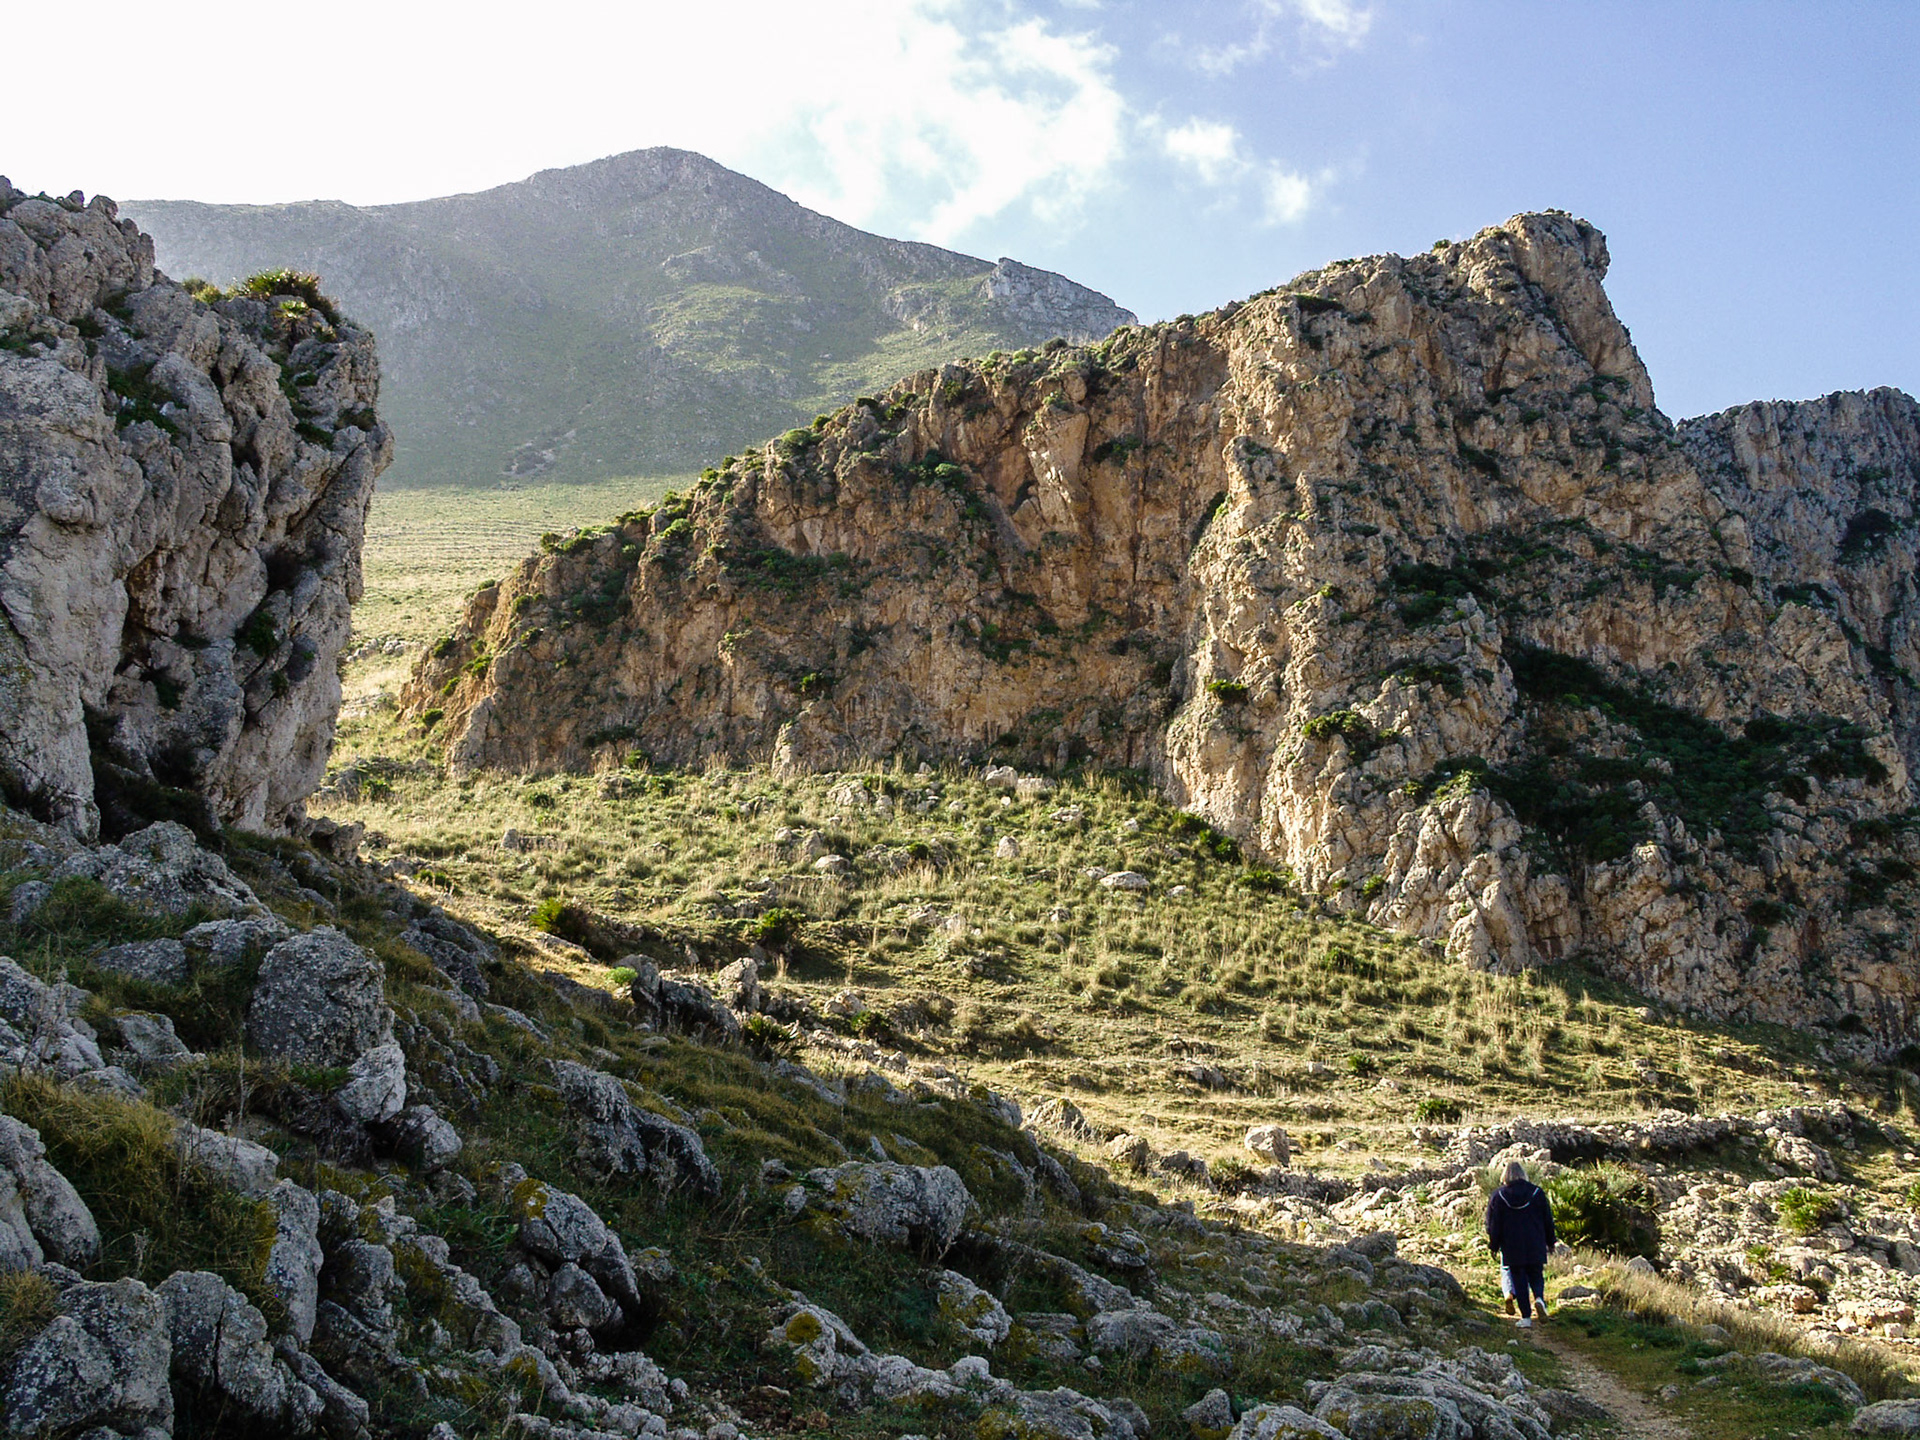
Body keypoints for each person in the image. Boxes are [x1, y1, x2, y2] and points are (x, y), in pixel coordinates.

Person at [1485, 1160, 1556, 1328]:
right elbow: (1548, 1219)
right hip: (1535, 1241)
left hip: (1511, 1245)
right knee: (1536, 1275)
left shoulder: (1498, 1195)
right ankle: (1539, 1298)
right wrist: (1550, 1241)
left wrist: (1493, 1246)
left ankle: (1525, 1317)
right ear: (1523, 1174)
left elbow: (1492, 1224)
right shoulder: (1537, 1193)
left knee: (1519, 1280)